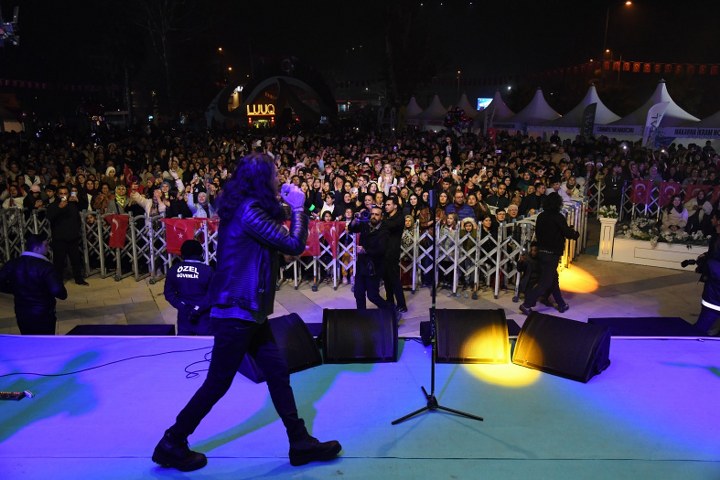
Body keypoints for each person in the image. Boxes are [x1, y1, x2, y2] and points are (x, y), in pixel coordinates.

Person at [152, 153, 341, 472]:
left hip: (248, 312)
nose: (278, 179)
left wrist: (288, 215)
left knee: (277, 373)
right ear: (261, 179)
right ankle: (171, 441)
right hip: (237, 312)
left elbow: (276, 239)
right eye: (274, 174)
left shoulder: (246, 207)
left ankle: (299, 442)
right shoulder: (249, 210)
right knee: (218, 383)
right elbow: (294, 245)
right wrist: (298, 208)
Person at [519, 192, 579, 315]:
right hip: (552, 253)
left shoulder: (541, 216)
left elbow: (538, 233)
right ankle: (527, 304)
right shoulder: (558, 217)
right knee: (545, 282)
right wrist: (575, 234)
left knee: (553, 279)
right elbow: (567, 233)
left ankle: (561, 304)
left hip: (542, 252)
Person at [0, 233, 67, 334]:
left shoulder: (13, 263)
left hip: (22, 312)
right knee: (45, 340)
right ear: (36, 248)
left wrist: (16, 289)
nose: (48, 248)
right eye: (45, 245)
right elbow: (58, 291)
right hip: (44, 313)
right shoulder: (46, 267)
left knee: (28, 338)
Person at [348, 204, 397, 315]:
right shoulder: (365, 225)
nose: (374, 216)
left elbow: (381, 249)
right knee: (358, 293)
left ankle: (392, 312)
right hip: (362, 264)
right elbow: (352, 228)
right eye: (372, 214)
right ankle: (362, 317)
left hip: (374, 267)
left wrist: (365, 250)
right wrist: (356, 219)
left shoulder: (384, 230)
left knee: (372, 295)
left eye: (376, 215)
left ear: (381, 217)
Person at [163, 239, 214, 336]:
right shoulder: (208, 271)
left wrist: (182, 306)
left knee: (184, 343)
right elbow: (213, 295)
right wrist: (198, 308)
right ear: (201, 253)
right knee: (205, 344)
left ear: (182, 254)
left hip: (184, 317)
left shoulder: (173, 270)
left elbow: (168, 293)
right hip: (204, 317)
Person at [46, 185, 89, 286]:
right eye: (61, 193)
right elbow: (49, 217)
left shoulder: (72, 205)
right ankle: (58, 281)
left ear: (68, 194)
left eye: (65, 193)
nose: (63, 195)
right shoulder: (53, 206)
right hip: (59, 238)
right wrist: (59, 208)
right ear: (57, 194)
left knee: (76, 260)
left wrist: (76, 230)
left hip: (72, 237)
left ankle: (79, 279)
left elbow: (79, 216)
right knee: (59, 261)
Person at [382, 195, 407, 313]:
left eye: (388, 205)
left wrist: (381, 220)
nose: (386, 206)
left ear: (395, 206)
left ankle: (402, 304)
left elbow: (390, 226)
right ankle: (390, 301)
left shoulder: (399, 217)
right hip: (384, 251)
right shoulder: (386, 217)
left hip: (393, 251)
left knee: (394, 279)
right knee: (386, 279)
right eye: (385, 205)